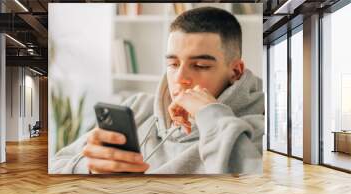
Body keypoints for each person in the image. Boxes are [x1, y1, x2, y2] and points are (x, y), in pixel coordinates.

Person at [50, 6, 264, 174]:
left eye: (200, 65)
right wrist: (89, 168)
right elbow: (55, 165)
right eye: (173, 64)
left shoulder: (260, 126)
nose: (180, 78)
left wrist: (210, 114)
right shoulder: (136, 107)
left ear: (235, 71)